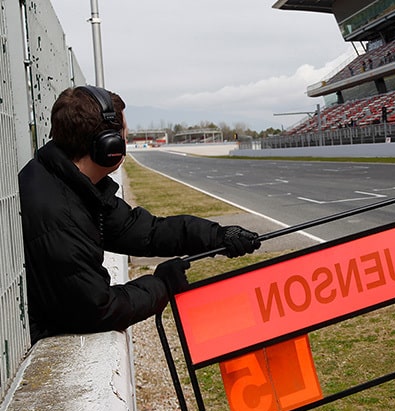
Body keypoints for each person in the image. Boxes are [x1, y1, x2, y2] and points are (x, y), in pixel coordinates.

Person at [18, 85, 262, 344]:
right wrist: (162, 285)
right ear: (108, 146)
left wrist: (219, 237)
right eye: (123, 135)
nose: (125, 142)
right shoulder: (59, 214)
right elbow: (97, 309)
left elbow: (147, 232)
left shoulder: (69, 183)